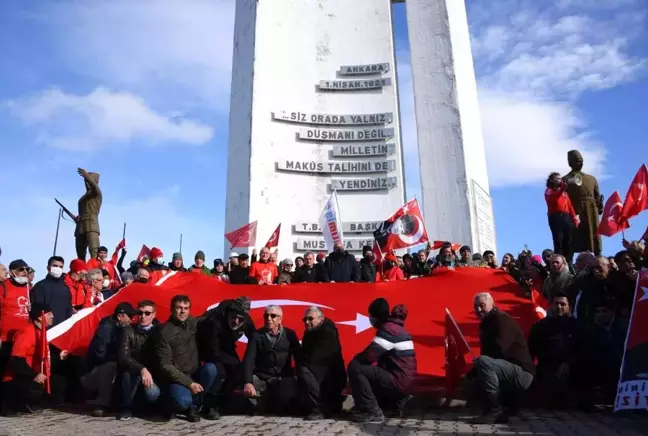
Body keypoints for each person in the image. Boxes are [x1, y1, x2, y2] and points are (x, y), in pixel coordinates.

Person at [468, 292, 534, 424]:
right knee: (473, 377)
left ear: (492, 304)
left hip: (522, 373)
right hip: (508, 370)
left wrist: (479, 365)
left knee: (483, 363)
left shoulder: (501, 320)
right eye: (476, 307)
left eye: (482, 306)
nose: (479, 310)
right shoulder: (487, 324)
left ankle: (494, 410)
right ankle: (503, 408)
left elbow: (500, 351)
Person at [347, 299, 417, 423]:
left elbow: (370, 356)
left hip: (399, 380)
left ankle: (372, 411)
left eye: (371, 316)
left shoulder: (389, 330)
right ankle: (396, 403)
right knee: (370, 373)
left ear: (376, 316)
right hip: (404, 379)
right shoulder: (395, 327)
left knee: (355, 367)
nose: (370, 319)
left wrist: (355, 362)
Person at [156, 295, 219, 422]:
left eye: (186, 308)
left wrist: (227, 304)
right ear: (172, 309)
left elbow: (207, 316)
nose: (183, 311)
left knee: (211, 369)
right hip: (177, 378)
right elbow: (166, 366)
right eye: (179, 308)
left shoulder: (192, 322)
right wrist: (189, 383)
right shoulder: (164, 332)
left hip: (195, 373)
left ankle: (194, 405)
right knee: (182, 401)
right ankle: (184, 405)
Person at [1, 303, 67, 415]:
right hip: (18, 378)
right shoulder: (27, 333)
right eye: (49, 314)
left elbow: (44, 348)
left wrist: (59, 352)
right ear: (40, 317)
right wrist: (33, 375)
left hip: (33, 374)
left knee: (60, 383)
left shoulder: (42, 331)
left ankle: (33, 403)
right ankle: (16, 403)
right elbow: (16, 359)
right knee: (35, 387)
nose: (53, 316)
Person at [198, 297, 255, 418]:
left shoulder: (246, 321)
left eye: (240, 320)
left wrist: (250, 359)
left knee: (239, 371)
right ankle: (207, 403)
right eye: (233, 317)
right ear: (228, 314)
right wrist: (232, 363)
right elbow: (214, 351)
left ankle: (222, 399)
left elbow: (254, 340)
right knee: (219, 371)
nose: (236, 322)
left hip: (227, 346)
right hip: (207, 346)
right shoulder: (214, 321)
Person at [527, 293, 584, 407]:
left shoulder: (578, 327)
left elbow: (582, 350)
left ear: (570, 307)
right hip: (547, 368)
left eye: (563, 304)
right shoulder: (540, 327)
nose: (559, 307)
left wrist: (568, 363)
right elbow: (532, 349)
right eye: (556, 304)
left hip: (572, 368)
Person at [242, 305, 301, 414]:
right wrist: (248, 382)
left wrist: (299, 376)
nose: (269, 319)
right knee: (257, 408)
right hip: (262, 377)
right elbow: (248, 360)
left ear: (280, 319)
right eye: (266, 315)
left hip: (283, 377)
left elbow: (298, 357)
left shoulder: (290, 334)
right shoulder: (256, 336)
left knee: (284, 410)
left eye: (273, 316)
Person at [83, 302, 136, 417]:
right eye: (130, 316)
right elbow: (101, 355)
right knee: (110, 366)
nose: (132, 320)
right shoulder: (105, 328)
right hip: (94, 373)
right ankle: (100, 403)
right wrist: (121, 358)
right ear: (120, 316)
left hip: (111, 369)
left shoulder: (126, 328)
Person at [298, 306, 346, 420]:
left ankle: (318, 407)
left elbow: (317, 358)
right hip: (322, 374)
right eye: (305, 319)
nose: (307, 322)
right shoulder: (311, 332)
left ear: (321, 319)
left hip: (330, 377)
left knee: (303, 369)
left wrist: (303, 360)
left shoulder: (328, 332)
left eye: (310, 319)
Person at [116, 300, 161, 421]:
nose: (143, 316)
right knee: (127, 373)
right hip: (134, 371)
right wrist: (142, 369)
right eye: (140, 313)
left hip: (153, 374)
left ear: (154, 314)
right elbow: (123, 356)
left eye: (147, 313)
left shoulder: (160, 331)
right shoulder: (128, 330)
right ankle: (127, 407)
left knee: (153, 393)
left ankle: (149, 406)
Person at [563, 150, 603, 258]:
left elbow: (597, 196)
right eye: (577, 161)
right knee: (573, 239)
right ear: (570, 163)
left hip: (591, 210)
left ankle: (598, 259)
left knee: (594, 237)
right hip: (575, 211)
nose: (580, 163)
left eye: (581, 161)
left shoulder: (591, 179)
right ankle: (569, 263)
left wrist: (599, 206)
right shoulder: (565, 180)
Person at [0, 259, 32, 380]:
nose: (25, 272)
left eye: (27, 269)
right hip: (5, 338)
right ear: (12, 272)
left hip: (22, 338)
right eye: (21, 269)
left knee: (17, 371)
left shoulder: (29, 288)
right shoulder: (4, 286)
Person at [545, 172, 580, 263]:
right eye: (557, 178)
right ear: (552, 180)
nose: (560, 180)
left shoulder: (564, 193)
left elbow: (570, 206)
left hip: (567, 217)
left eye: (560, 178)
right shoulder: (549, 191)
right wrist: (562, 189)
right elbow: (554, 198)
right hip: (556, 217)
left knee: (568, 242)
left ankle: (568, 262)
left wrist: (574, 218)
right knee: (558, 241)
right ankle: (558, 261)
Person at [30, 256, 73, 327]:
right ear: (48, 268)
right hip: (46, 330)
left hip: (63, 329)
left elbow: (68, 310)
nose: (58, 268)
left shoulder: (66, 288)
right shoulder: (40, 286)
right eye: (55, 266)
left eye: (60, 267)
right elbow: (36, 311)